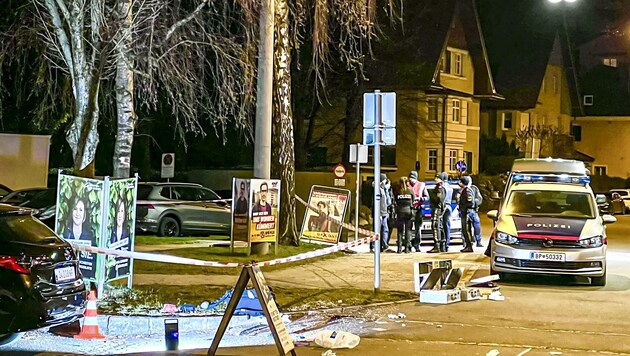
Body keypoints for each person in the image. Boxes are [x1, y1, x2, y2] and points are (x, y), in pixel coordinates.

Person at [408, 170, 429, 252]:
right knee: (408, 228)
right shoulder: (406, 185)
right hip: (409, 209)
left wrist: (420, 199)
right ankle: (408, 244)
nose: (411, 179)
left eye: (412, 178)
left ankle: (417, 245)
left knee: (418, 228)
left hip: (418, 209)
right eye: (410, 177)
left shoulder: (422, 185)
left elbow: (427, 197)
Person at [393, 177, 415, 253]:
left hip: (400, 212)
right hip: (409, 211)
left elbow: (395, 201)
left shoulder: (397, 191)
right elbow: (413, 200)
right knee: (408, 230)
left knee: (400, 230)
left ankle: (399, 248)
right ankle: (407, 248)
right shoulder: (410, 191)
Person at [427, 173, 448, 253]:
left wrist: (432, 195)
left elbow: (439, 199)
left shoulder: (439, 188)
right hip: (438, 209)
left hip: (437, 209)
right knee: (440, 226)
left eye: (437, 178)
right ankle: (442, 245)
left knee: (435, 226)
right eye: (435, 177)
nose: (435, 179)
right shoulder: (440, 188)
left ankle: (437, 246)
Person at [370, 178, 390, 253]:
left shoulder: (384, 189)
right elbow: (378, 202)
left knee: (384, 230)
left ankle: (384, 246)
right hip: (379, 212)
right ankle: (374, 247)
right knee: (377, 230)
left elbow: (388, 202)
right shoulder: (378, 189)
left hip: (384, 212)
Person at [458, 176, 476, 252]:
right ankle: (468, 245)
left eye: (460, 182)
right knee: (465, 230)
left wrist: (464, 208)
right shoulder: (464, 190)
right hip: (464, 212)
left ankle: (469, 246)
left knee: (466, 229)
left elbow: (470, 202)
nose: (459, 183)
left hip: (467, 213)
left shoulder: (467, 190)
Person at [439, 172, 454, 250]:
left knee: (441, 226)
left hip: (443, 207)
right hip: (449, 207)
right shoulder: (450, 187)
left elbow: (442, 198)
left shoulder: (442, 187)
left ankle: (443, 243)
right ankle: (447, 244)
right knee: (447, 226)